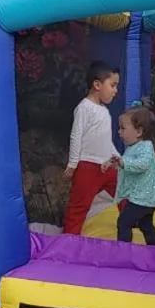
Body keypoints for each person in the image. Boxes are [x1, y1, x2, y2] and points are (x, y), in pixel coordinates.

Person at [62, 61, 120, 234]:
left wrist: (117, 157)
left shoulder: (104, 110)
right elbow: (76, 135)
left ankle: (131, 227)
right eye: (113, 85)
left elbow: (106, 140)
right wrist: (73, 164)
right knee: (78, 208)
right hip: (87, 167)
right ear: (97, 85)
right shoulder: (84, 108)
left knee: (125, 195)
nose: (115, 90)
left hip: (107, 166)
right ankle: (69, 241)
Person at [106, 105, 155, 245]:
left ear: (139, 131)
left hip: (145, 197)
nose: (119, 132)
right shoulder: (134, 147)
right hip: (146, 196)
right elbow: (128, 166)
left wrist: (122, 163)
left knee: (123, 222)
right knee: (146, 224)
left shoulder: (146, 147)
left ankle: (123, 251)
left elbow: (141, 164)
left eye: (123, 128)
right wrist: (114, 163)